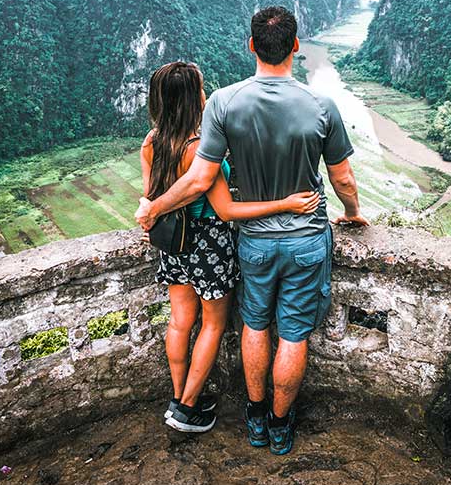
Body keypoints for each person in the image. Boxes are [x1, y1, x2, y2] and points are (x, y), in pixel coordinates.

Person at [136, 6, 367, 456]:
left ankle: (255, 417)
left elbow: (200, 180)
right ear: (296, 46)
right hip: (305, 240)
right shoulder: (322, 106)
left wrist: (154, 208)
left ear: (251, 46)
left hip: (254, 242)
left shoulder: (223, 101)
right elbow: (342, 180)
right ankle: (281, 424)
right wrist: (354, 212)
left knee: (255, 326)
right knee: (294, 334)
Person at [137, 61, 322, 434]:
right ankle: (187, 409)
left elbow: (151, 198)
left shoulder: (151, 142)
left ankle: (178, 397)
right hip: (208, 242)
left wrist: (152, 214)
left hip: (172, 243)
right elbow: (226, 210)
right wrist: (286, 203)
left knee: (180, 321)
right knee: (213, 324)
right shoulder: (200, 152)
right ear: (196, 99)